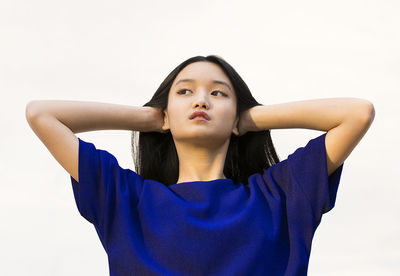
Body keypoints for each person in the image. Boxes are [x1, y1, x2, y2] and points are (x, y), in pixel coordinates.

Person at [25, 55, 375, 276]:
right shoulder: (126, 200)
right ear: (166, 113)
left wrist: (249, 119)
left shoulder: (280, 196)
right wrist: (151, 118)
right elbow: (42, 114)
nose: (202, 100)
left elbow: (357, 113)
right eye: (185, 92)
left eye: (219, 93)